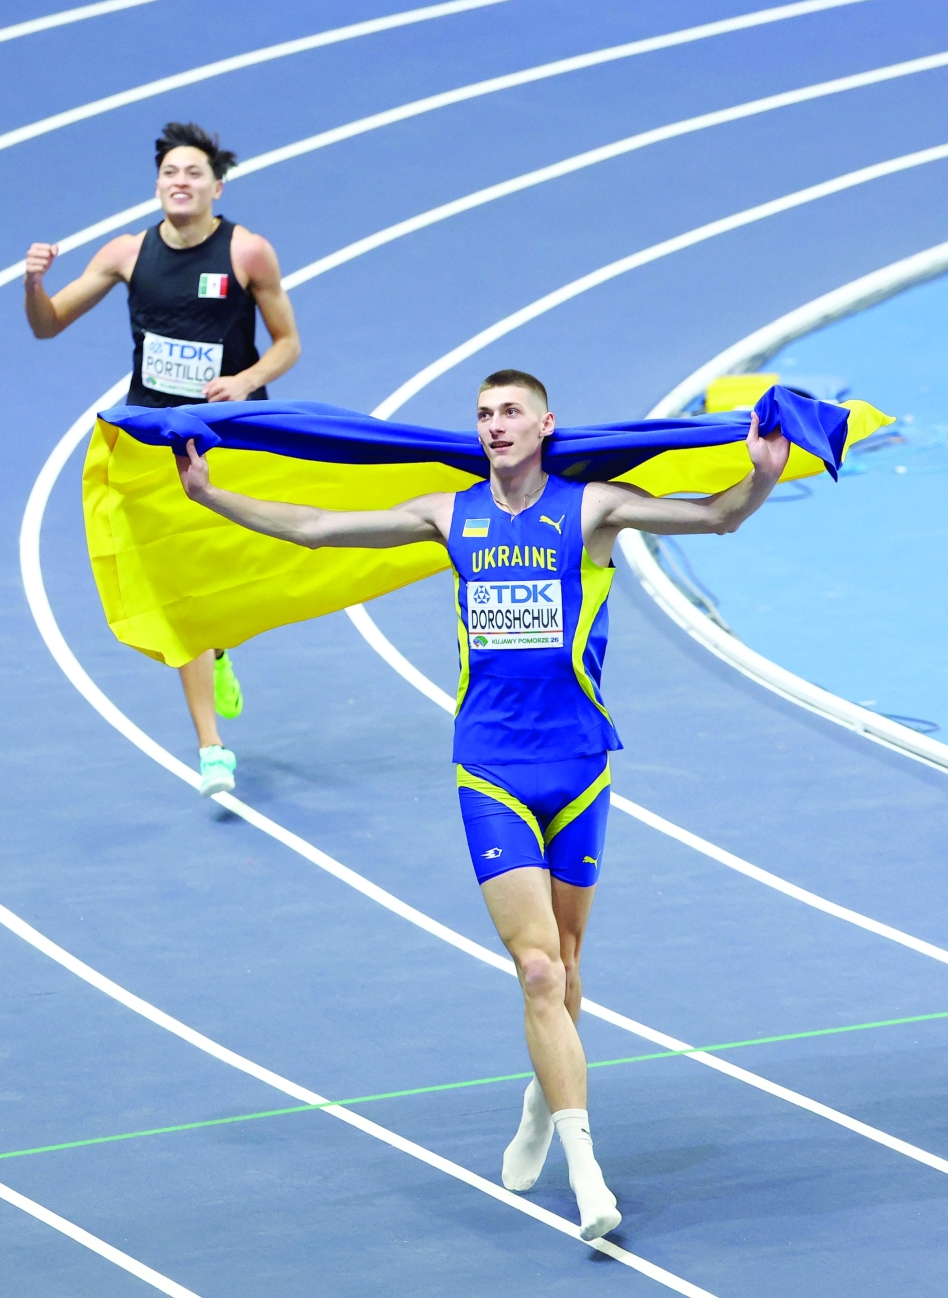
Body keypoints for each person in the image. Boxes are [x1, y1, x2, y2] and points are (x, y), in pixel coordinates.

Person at [172, 368, 790, 1239]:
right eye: (483, 415)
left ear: (545, 425)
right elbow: (316, 529)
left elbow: (716, 514)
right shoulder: (448, 515)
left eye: (510, 413)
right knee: (538, 969)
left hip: (579, 766)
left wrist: (762, 471)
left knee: (568, 965)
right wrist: (210, 493)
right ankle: (587, 1177)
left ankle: (543, 1102)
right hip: (491, 770)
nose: (495, 426)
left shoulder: (590, 511)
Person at [24, 121, 301, 796]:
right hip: (152, 435)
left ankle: (223, 639)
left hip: (227, 430)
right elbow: (47, 323)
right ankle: (212, 746)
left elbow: (288, 343)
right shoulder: (126, 252)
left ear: (216, 185)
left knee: (235, 570)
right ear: (158, 185)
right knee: (178, 585)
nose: (180, 181)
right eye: (170, 172)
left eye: (193, 173)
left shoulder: (248, 252)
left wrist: (243, 380)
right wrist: (33, 283)